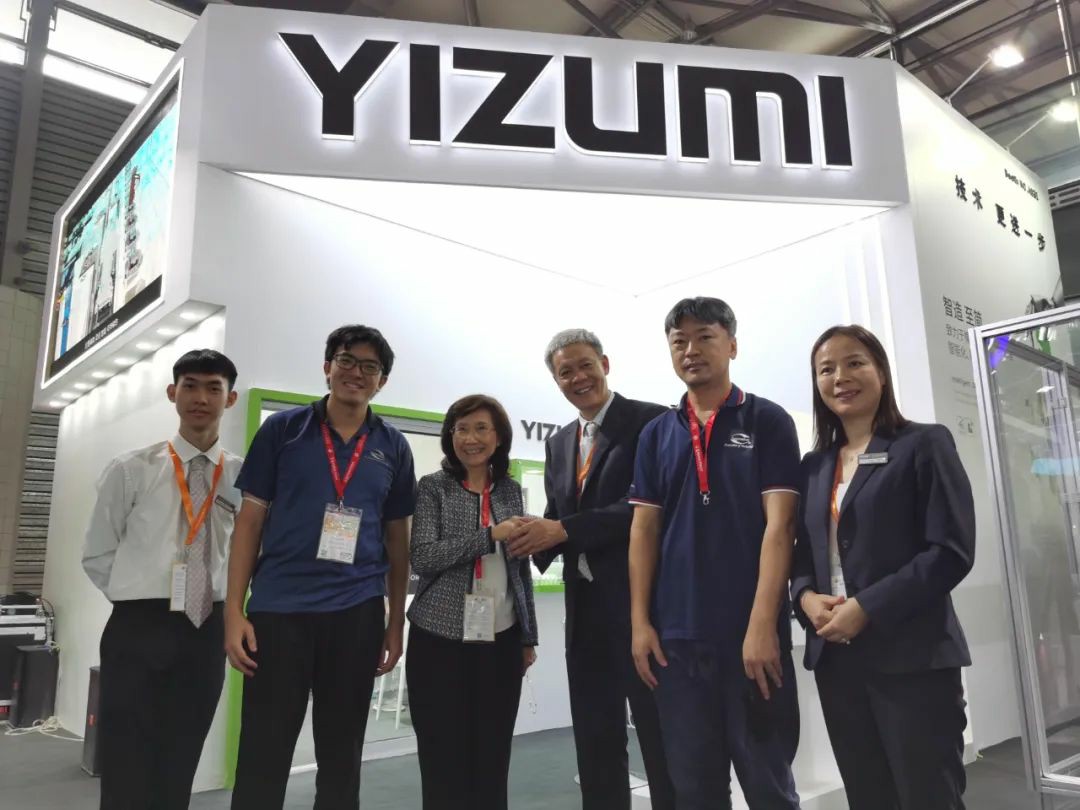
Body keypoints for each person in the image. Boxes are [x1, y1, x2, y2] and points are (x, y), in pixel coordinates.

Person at [225, 325, 415, 810]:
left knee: (342, 753)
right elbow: (250, 521)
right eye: (347, 361)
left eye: (370, 367)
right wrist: (233, 611)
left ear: (382, 381)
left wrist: (395, 623)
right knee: (264, 749)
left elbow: (398, 540)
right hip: (279, 611)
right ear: (327, 367)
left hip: (357, 611)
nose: (356, 373)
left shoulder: (393, 445)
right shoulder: (283, 430)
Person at [790, 324, 975, 810]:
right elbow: (802, 556)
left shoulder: (923, 444)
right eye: (826, 369)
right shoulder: (813, 466)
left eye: (854, 363)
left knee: (928, 796)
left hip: (913, 658)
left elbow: (950, 551)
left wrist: (867, 607)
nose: (840, 377)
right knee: (868, 797)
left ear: (881, 372)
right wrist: (805, 597)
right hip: (837, 663)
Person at [628, 297, 801, 810]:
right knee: (695, 791)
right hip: (676, 642)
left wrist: (763, 625)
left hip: (751, 637)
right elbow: (643, 530)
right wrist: (640, 622)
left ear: (732, 345)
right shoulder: (656, 433)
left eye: (704, 337)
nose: (691, 350)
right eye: (679, 341)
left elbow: (781, 526)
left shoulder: (767, 420)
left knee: (769, 787)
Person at [507, 328, 675, 810]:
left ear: (605, 363)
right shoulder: (560, 442)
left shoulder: (653, 422)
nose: (578, 377)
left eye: (585, 365)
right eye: (566, 372)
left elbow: (648, 507)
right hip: (584, 611)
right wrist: (526, 535)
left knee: (659, 733)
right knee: (595, 736)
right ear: (556, 380)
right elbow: (559, 511)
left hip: (642, 606)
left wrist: (561, 530)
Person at [83, 349, 242, 810]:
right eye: (190, 386)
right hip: (138, 626)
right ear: (173, 393)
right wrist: (138, 597)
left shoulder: (241, 476)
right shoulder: (131, 469)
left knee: (181, 755)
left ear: (230, 399)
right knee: (126, 755)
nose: (201, 398)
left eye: (213, 388)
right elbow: (98, 553)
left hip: (206, 626)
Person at [406, 394, 538, 810]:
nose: (470, 438)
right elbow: (423, 556)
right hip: (439, 639)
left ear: (498, 437)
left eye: (481, 428)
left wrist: (527, 636)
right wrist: (488, 537)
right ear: (450, 436)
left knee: (493, 754)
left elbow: (520, 569)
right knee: (442, 754)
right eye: (461, 429)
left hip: (501, 639)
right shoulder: (434, 487)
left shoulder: (510, 491)